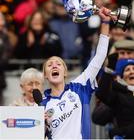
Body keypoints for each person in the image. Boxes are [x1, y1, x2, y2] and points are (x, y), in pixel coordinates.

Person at [40, 7, 116, 139]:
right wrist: (41, 126)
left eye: (58, 64)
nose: (54, 66)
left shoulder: (79, 87)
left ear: (65, 72)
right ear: (45, 75)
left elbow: (99, 57)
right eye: (50, 65)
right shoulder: (42, 103)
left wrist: (105, 23)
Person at [96, 59, 134, 139]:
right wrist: (109, 70)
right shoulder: (118, 95)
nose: (131, 72)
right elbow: (102, 94)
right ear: (121, 77)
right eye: (127, 70)